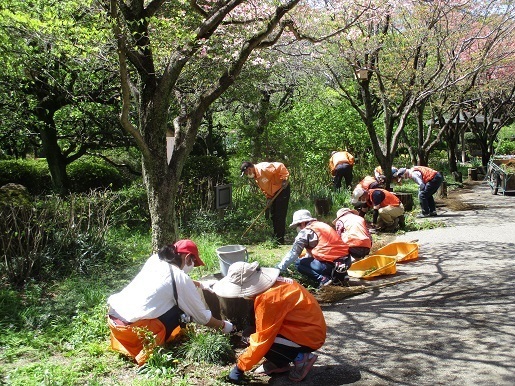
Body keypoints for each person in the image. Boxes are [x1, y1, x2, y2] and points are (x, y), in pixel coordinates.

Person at [107, 240, 233, 365]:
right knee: (181, 311)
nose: (192, 267)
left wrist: (200, 284)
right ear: (188, 257)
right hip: (133, 332)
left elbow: (170, 281)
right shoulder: (179, 278)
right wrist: (225, 326)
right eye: (193, 263)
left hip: (114, 321)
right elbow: (202, 317)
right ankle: (150, 350)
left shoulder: (156, 260)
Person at [213, 261, 326, 383]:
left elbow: (263, 339)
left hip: (308, 337)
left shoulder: (268, 298)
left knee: (250, 337)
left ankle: (301, 358)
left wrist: (240, 367)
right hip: (307, 329)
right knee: (251, 332)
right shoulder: (277, 285)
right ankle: (280, 363)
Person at [276, 209, 351, 288]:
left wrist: (279, 268)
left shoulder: (305, 232)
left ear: (302, 223)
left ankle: (323, 279)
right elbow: (317, 250)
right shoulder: (321, 225)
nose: (298, 228)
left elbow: (294, 253)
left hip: (330, 265)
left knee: (298, 263)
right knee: (306, 260)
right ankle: (341, 275)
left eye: (298, 225)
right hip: (346, 262)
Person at [240, 161, 290, 244]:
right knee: (274, 215)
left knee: (280, 215)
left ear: (249, 169)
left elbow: (280, 166)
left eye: (245, 173)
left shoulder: (263, 168)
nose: (246, 175)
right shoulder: (257, 177)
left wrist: (284, 179)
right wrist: (268, 198)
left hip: (282, 190)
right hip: (273, 194)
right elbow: (265, 188)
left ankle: (280, 240)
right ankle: (277, 237)